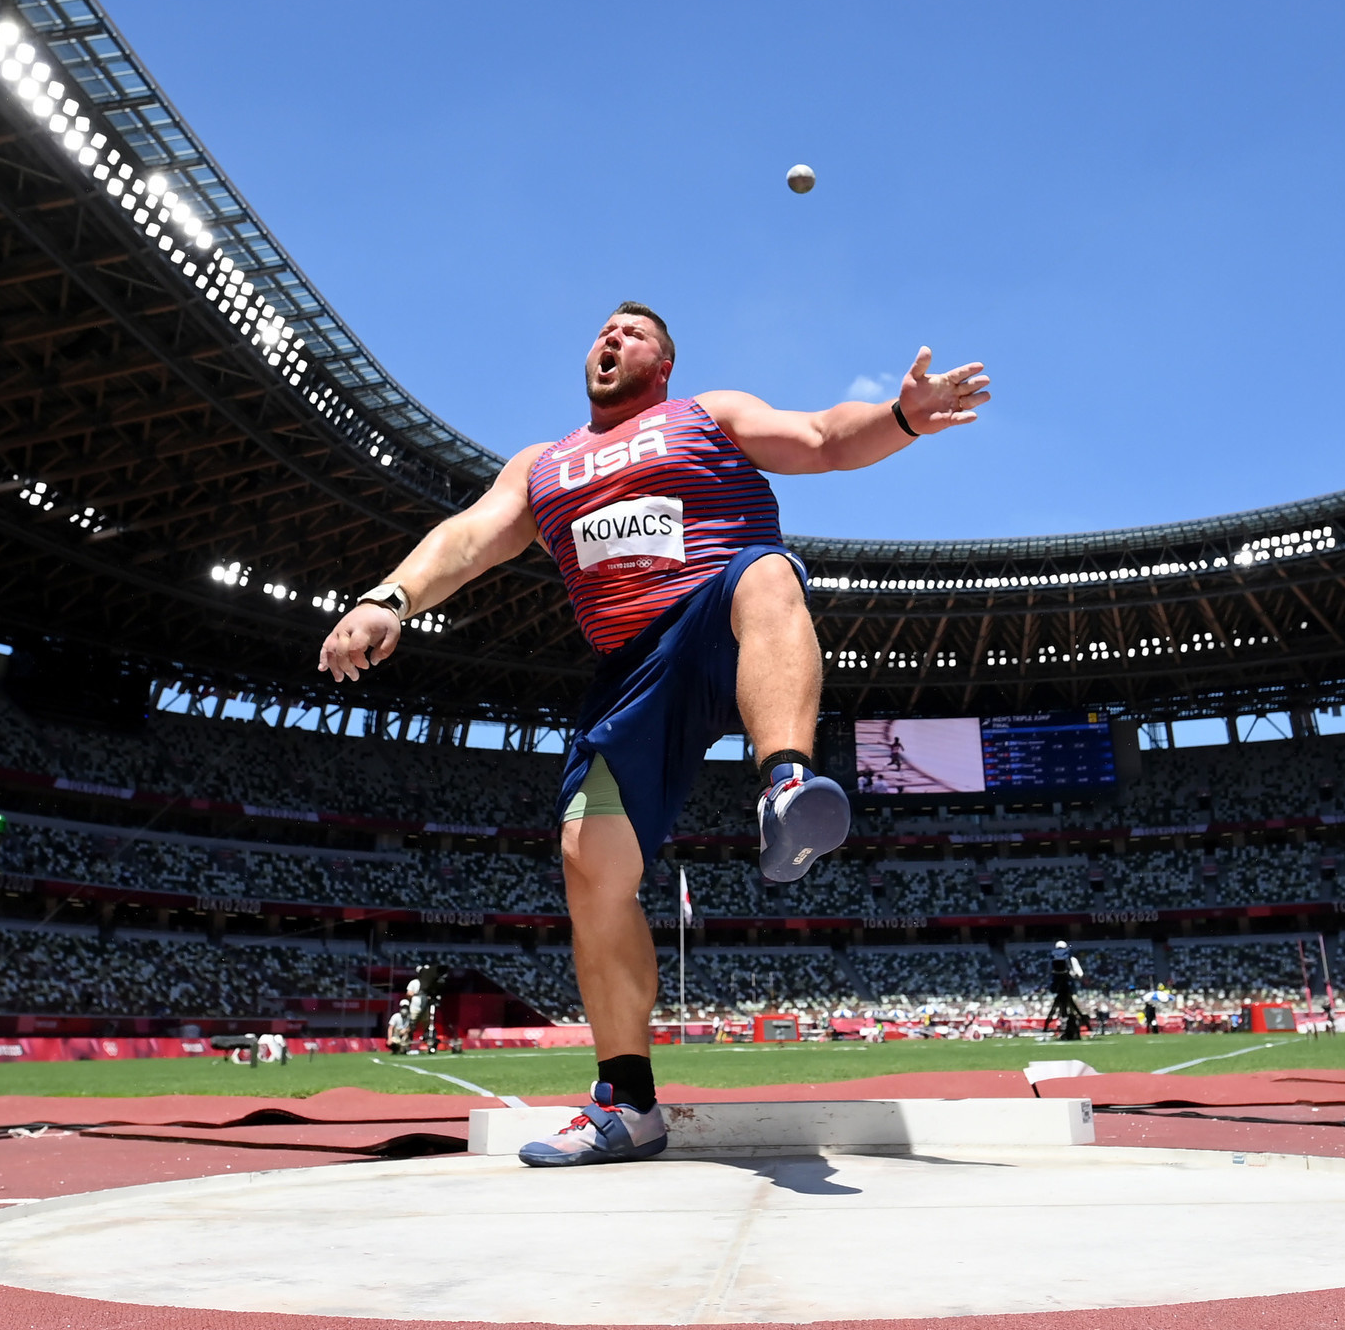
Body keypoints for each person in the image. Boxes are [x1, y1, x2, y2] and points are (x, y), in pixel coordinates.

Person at [318, 304, 989, 1166]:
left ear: (664, 362)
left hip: (720, 612)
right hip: (630, 674)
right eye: (601, 332)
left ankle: (786, 787)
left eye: (631, 332)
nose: (610, 340)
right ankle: (627, 1103)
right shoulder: (544, 463)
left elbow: (821, 436)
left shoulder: (708, 414)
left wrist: (901, 419)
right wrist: (388, 598)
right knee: (588, 862)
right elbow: (470, 537)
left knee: (771, 569)